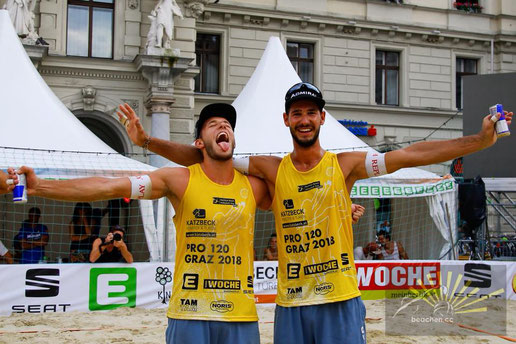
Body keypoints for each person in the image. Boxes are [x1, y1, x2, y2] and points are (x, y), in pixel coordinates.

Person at [120, 82, 512, 344]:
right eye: (297, 112)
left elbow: (409, 155)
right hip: (291, 306)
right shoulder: (270, 168)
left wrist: (477, 141)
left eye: (311, 112)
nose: (304, 119)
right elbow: (203, 154)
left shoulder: (346, 164)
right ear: (286, 119)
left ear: (322, 118)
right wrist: (147, 140)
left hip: (339, 299)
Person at [9, 102, 271, 344]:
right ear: (198, 142)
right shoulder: (179, 179)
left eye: (228, 124)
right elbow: (107, 186)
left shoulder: (254, 186)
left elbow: (287, 171)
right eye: (213, 124)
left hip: (241, 314)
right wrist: (41, 186)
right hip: (191, 311)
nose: (224, 126)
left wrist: (151, 142)